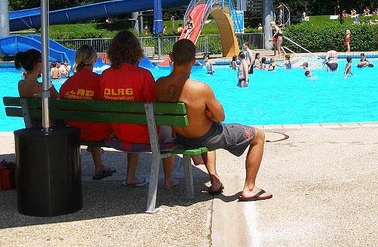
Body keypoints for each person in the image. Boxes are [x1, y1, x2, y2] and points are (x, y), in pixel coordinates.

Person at [155, 39, 271, 201]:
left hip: (182, 138)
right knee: (258, 135)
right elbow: (221, 116)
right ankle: (250, 188)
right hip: (207, 138)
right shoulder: (200, 88)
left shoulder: (159, 84)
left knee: (206, 126)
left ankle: (214, 179)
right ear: (193, 61)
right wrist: (207, 114)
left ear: (171, 57)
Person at [100, 30, 178, 188]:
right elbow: (153, 106)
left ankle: (131, 176)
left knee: (131, 121)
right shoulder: (143, 75)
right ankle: (168, 179)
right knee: (168, 128)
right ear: (136, 51)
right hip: (142, 135)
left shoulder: (105, 75)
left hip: (118, 133)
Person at [59, 45, 116, 180]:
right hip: (96, 132)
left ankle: (97, 163)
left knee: (87, 121)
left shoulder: (67, 84)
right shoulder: (100, 81)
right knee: (95, 122)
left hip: (73, 131)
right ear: (94, 59)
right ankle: (98, 166)